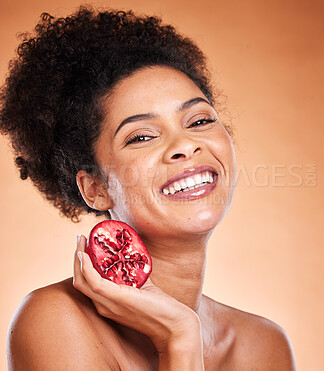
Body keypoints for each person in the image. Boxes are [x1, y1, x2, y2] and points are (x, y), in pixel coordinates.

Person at [1, 6, 296, 370]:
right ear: (95, 188)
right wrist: (178, 338)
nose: (185, 145)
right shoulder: (56, 322)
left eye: (200, 120)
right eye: (141, 136)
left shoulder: (263, 346)